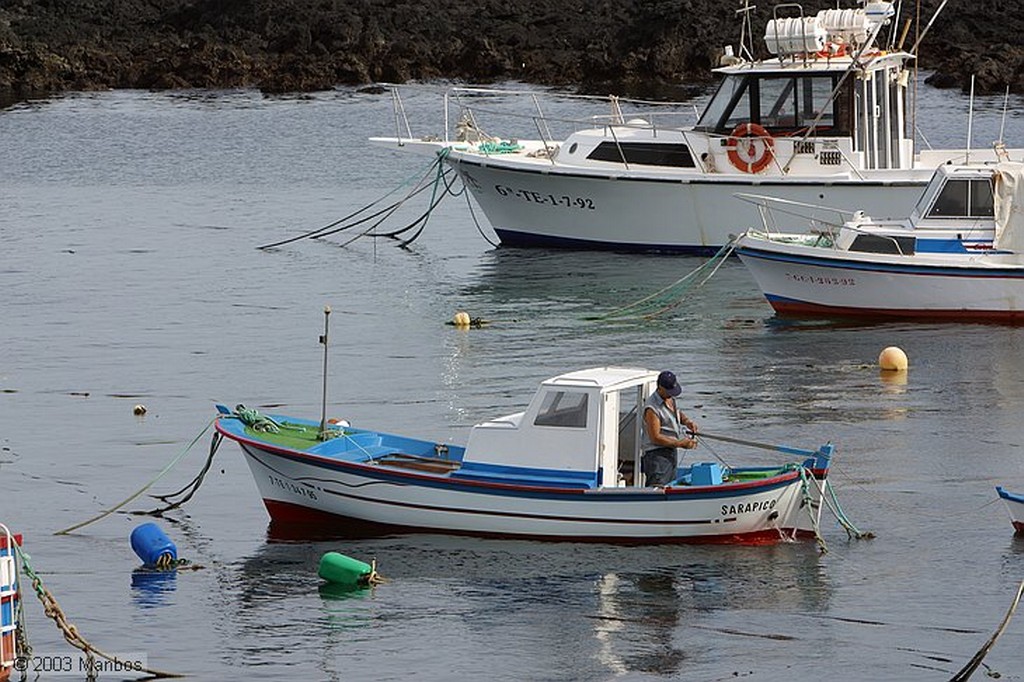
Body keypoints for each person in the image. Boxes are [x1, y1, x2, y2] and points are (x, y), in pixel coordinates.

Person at [641, 370, 698, 487]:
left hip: (671, 452)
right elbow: (655, 437)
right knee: (658, 487)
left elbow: (676, 413)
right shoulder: (652, 408)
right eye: (668, 391)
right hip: (657, 456)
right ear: (660, 388)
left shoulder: (670, 399)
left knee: (670, 485)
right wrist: (680, 443)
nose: (671, 394)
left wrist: (687, 421)